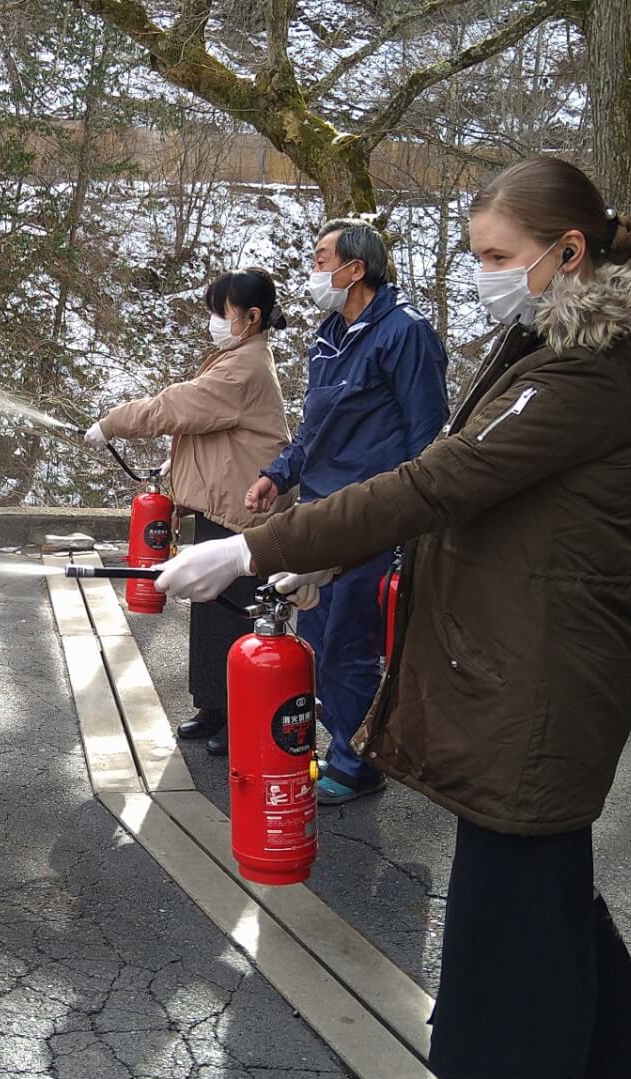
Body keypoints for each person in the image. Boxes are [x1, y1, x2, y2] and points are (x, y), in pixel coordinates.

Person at [156, 156, 631, 1079]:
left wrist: (254, 547)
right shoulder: (558, 347)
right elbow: (474, 500)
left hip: (545, 674)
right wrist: (322, 562)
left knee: (511, 909)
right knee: (543, 891)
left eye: (499, 254)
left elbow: (433, 481)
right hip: (528, 661)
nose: (483, 271)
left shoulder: (592, 368)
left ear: (568, 250)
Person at [244, 217, 447, 805]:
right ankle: (348, 744)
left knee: (353, 643)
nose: (313, 271)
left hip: (374, 517)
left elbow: (426, 434)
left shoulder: (404, 334)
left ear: (355, 269)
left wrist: (413, 520)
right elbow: (314, 428)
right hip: (321, 514)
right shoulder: (328, 336)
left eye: (321, 258)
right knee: (317, 636)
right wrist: (277, 474)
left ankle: (355, 762)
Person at [86, 268, 294, 753]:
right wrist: (177, 460)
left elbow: (177, 406)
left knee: (233, 615)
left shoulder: (244, 366)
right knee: (211, 613)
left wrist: (112, 424)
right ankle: (213, 707)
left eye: (221, 314)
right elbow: (214, 429)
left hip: (244, 510)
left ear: (251, 317)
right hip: (226, 502)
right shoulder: (239, 355)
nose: (214, 323)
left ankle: (235, 716)